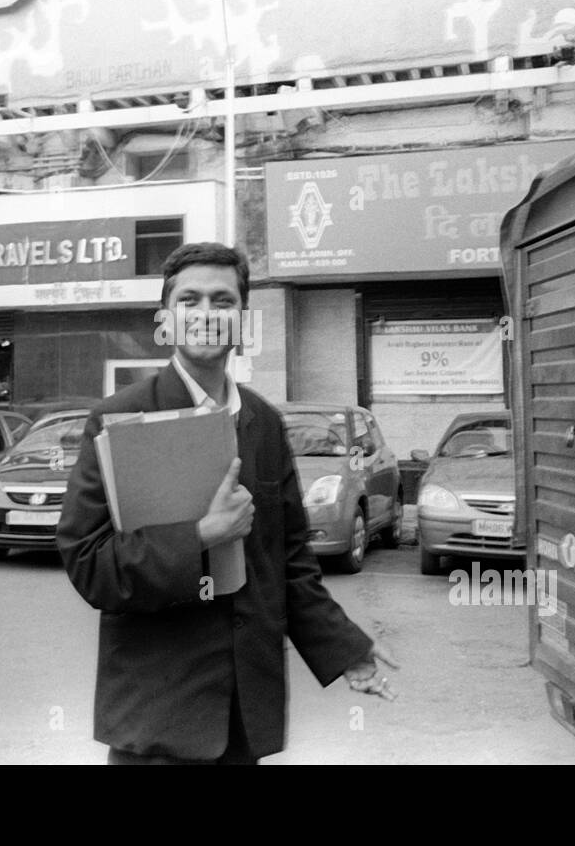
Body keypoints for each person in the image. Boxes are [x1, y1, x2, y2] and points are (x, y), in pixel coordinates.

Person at [56, 242, 398, 764]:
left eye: (222, 301)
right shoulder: (120, 419)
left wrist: (344, 649)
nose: (206, 315)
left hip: (244, 717)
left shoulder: (263, 422)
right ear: (165, 321)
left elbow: (291, 562)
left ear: (242, 320)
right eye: (189, 301)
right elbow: (89, 563)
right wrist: (199, 538)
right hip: (157, 718)